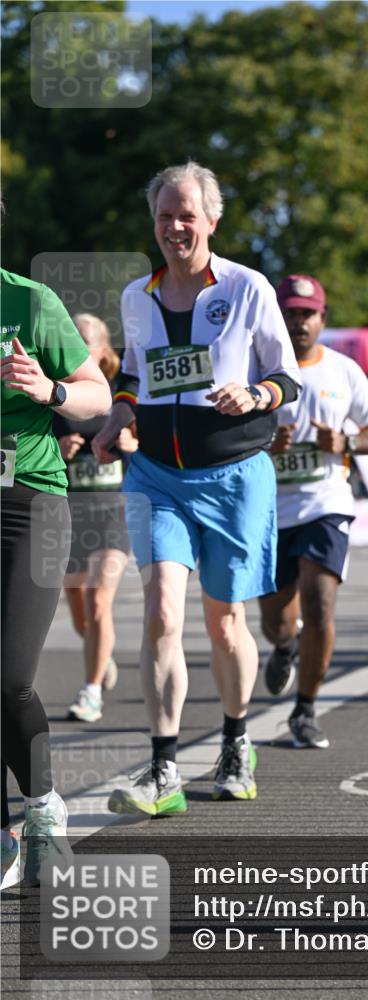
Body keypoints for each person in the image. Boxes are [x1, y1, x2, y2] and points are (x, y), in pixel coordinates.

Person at [92, 162, 300, 815]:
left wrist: (254, 392)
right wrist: (116, 418)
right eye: (164, 215)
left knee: (225, 620)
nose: (175, 227)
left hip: (234, 475)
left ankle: (236, 743)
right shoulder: (137, 296)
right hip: (156, 475)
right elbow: (132, 375)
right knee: (158, 612)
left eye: (187, 215)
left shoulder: (247, 288)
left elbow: (287, 380)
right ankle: (162, 770)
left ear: (212, 220)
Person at [1, 268, 111, 887]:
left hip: (28, 503)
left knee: (8, 676)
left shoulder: (29, 301)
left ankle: (42, 805)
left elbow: (94, 393)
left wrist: (49, 390)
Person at [259, 275, 368, 748]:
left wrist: (348, 440)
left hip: (325, 505)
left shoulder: (344, 371)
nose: (298, 322)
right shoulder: (255, 368)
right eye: (289, 313)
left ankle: (306, 709)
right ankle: (283, 646)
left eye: (306, 314)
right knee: (275, 620)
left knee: (319, 603)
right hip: (269, 511)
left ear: (322, 319)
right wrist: (265, 444)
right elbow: (224, 437)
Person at [53, 314, 138, 723]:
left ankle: (90, 693)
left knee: (98, 599)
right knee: (79, 610)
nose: (74, 343)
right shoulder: (55, 393)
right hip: (70, 513)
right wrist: (58, 446)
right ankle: (101, 655)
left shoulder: (123, 394)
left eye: (83, 339)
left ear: (104, 351)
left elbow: (150, 445)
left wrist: (129, 442)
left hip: (114, 511)